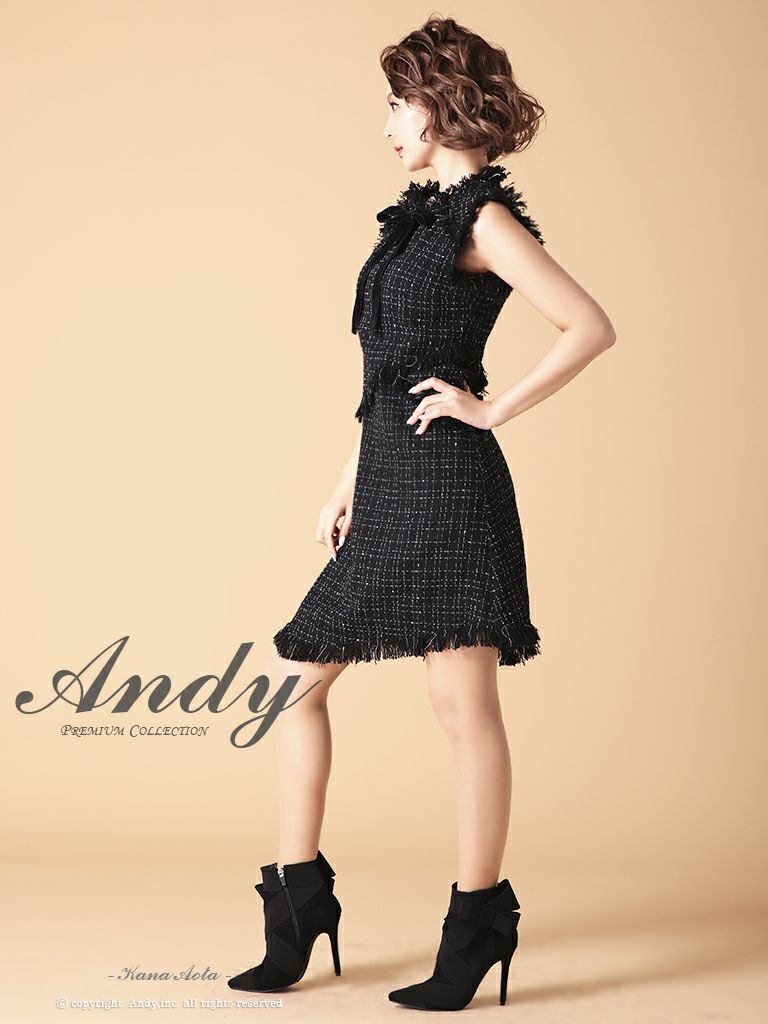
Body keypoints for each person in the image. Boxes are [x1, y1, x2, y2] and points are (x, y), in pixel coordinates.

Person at [228, 14, 616, 1012]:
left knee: (461, 710)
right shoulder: (414, 222)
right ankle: (299, 904)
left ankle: (478, 922)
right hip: (390, 481)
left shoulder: (484, 221)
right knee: (292, 688)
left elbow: (588, 325)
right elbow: (386, 379)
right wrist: (347, 481)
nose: (387, 125)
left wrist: (492, 409)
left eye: (397, 104)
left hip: (450, 490)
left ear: (441, 107)